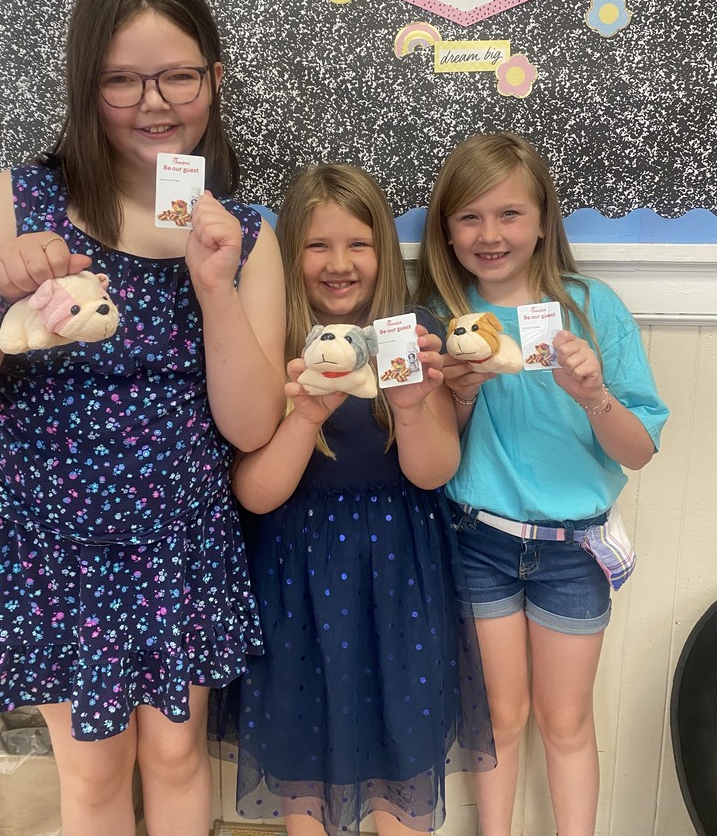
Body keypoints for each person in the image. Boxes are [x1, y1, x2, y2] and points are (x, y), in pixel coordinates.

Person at [0, 0, 286, 836]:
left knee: (178, 757)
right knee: (93, 774)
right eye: (121, 79)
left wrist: (213, 287)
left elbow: (251, 427)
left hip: (179, 537)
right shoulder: (19, 201)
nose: (155, 102)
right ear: (84, 87)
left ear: (214, 78)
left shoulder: (243, 230)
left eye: (179, 74)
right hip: (48, 541)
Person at [221, 164, 496, 836]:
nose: (338, 264)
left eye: (358, 244)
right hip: (295, 574)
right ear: (291, 254)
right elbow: (255, 495)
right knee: (301, 755)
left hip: (400, 571)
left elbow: (433, 472)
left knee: (402, 752)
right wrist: (307, 417)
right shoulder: (271, 343)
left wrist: (408, 408)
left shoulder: (414, 334)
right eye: (317, 246)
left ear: (383, 253)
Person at [415, 132, 669, 836]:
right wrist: (460, 394)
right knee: (498, 717)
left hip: (571, 550)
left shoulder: (592, 308)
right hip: (479, 541)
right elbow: (430, 456)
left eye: (509, 214)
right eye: (469, 216)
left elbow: (640, 450)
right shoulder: (438, 317)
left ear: (542, 220)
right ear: (446, 228)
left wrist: (592, 393)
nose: (489, 234)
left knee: (566, 721)